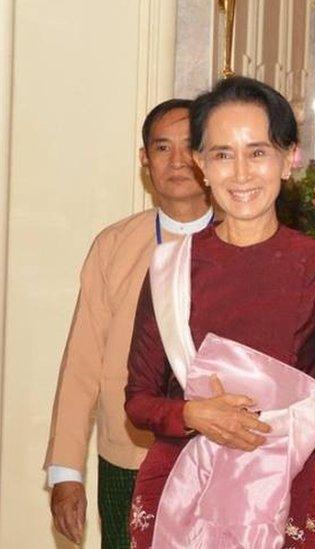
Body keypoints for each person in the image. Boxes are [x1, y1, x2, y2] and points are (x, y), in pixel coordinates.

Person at [124, 76, 315, 548]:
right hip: (179, 493)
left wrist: (259, 426)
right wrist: (195, 414)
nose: (240, 173)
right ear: (200, 164)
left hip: (280, 488)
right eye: (221, 154)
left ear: (288, 158)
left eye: (257, 152)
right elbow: (138, 398)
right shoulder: (172, 266)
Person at [45, 98, 213, 548]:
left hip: (218, 454)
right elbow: (81, 363)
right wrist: (66, 471)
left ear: (209, 154)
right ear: (145, 160)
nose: (177, 161)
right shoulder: (115, 246)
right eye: (162, 148)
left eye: (190, 146)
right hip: (130, 451)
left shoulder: (240, 242)